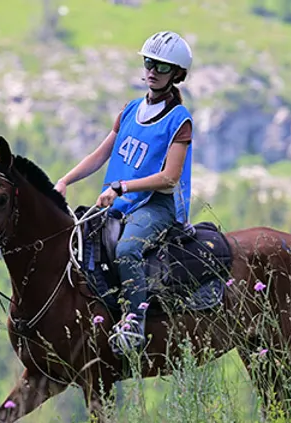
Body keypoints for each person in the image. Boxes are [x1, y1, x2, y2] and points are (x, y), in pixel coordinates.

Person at [54, 31, 194, 356]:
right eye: (149, 63)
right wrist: (64, 181)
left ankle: (134, 325)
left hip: (155, 205)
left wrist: (121, 187)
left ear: (177, 74)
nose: (153, 71)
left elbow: (170, 179)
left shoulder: (179, 120)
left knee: (128, 249)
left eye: (162, 66)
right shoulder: (130, 109)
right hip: (119, 203)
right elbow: (100, 155)